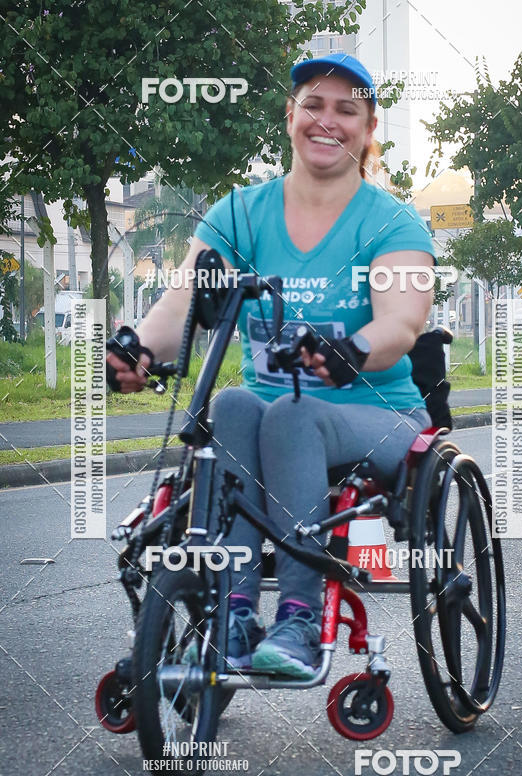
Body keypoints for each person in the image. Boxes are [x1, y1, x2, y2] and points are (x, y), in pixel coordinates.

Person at [106, 54, 436, 680]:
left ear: (368, 129)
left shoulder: (391, 221)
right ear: (291, 116)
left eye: (347, 110)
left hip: (380, 416)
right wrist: (140, 350)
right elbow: (182, 302)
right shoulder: (241, 213)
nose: (327, 120)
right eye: (314, 104)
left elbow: (401, 323)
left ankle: (298, 620)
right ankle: (231, 614)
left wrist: (354, 350)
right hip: (269, 415)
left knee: (290, 414)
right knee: (230, 404)